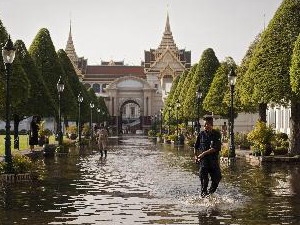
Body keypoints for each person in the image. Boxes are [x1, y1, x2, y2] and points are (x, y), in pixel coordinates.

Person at [194, 116, 222, 197]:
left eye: (207, 124)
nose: (205, 126)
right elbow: (196, 146)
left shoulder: (216, 134)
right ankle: (204, 199)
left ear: (211, 124)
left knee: (217, 177)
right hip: (204, 163)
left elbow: (215, 148)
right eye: (204, 125)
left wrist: (202, 154)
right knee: (204, 182)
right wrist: (196, 156)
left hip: (213, 161)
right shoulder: (201, 134)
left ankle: (210, 193)